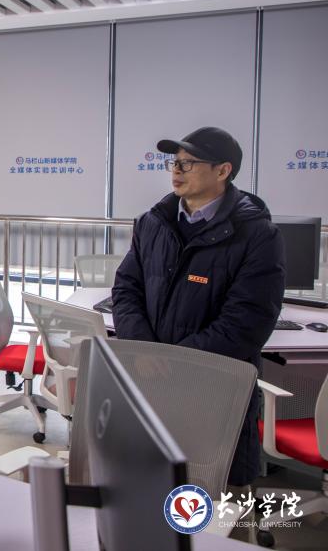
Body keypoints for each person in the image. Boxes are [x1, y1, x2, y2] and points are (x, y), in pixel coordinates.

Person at [112, 126, 285, 487]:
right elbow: (126, 288)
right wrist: (142, 347)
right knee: (147, 482)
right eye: (175, 162)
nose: (176, 170)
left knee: (207, 491)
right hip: (150, 378)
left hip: (213, 386)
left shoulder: (256, 235)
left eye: (189, 163)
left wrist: (177, 362)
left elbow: (247, 322)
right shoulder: (152, 223)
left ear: (223, 170)